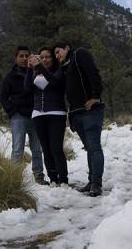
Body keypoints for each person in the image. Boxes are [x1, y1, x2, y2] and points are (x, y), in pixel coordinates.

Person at [54, 41, 104, 197]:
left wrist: (95, 96)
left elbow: (93, 73)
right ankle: (91, 181)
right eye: (55, 54)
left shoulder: (79, 54)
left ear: (67, 48)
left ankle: (97, 183)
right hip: (76, 113)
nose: (57, 56)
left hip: (90, 111)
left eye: (58, 51)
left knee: (94, 147)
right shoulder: (64, 67)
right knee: (89, 148)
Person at [0, 45, 48, 185]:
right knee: (17, 148)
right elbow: (3, 97)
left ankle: (39, 175)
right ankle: (14, 178)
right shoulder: (10, 77)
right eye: (21, 56)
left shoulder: (35, 73)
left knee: (37, 148)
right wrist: (12, 111)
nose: (24, 58)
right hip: (18, 116)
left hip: (35, 115)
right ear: (16, 58)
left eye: (27, 56)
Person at [25, 46, 68, 186]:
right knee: (46, 148)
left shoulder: (59, 70)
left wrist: (40, 67)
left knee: (56, 148)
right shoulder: (35, 72)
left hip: (56, 113)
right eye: (41, 57)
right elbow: (27, 87)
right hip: (38, 113)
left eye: (47, 57)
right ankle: (53, 178)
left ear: (53, 58)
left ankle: (63, 179)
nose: (44, 59)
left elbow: (54, 82)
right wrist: (29, 68)